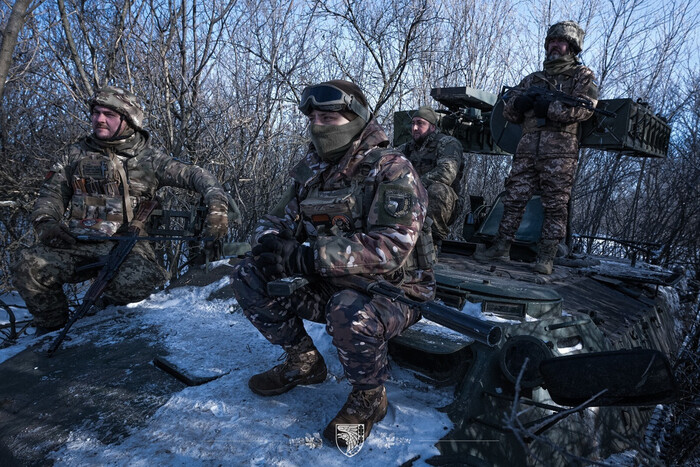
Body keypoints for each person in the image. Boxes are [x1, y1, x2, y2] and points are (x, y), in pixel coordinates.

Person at [229, 80, 435, 446]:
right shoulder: (311, 171)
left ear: (354, 119)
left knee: (347, 310)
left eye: (329, 117)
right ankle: (304, 362)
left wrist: (309, 256)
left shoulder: (391, 169)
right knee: (248, 274)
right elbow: (275, 219)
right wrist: (270, 246)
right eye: (314, 118)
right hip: (331, 279)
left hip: (396, 288)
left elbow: (392, 247)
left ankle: (370, 397)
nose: (319, 126)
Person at [12, 86, 233, 335]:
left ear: (129, 120)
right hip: (77, 241)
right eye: (96, 112)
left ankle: (100, 323)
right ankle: (51, 330)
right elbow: (51, 195)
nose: (99, 119)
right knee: (28, 265)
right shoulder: (74, 154)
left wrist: (217, 207)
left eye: (109, 114)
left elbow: (200, 177)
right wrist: (46, 223)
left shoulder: (149, 159)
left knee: (137, 283)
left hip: (130, 244)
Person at [476, 21, 598, 274]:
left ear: (572, 47)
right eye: (551, 41)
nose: (555, 46)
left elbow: (586, 109)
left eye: (560, 42)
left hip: (560, 152)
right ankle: (501, 247)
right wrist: (521, 103)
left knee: (555, 204)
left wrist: (550, 109)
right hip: (527, 148)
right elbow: (507, 112)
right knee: (514, 198)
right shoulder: (533, 79)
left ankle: (546, 257)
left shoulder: (581, 76)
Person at [398, 106, 464, 247]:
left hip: (445, 202)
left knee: (437, 190)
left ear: (432, 127)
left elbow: (446, 173)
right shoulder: (406, 148)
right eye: (413, 123)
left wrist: (411, 184)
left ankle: (433, 241)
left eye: (420, 123)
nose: (415, 128)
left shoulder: (447, 143)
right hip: (412, 198)